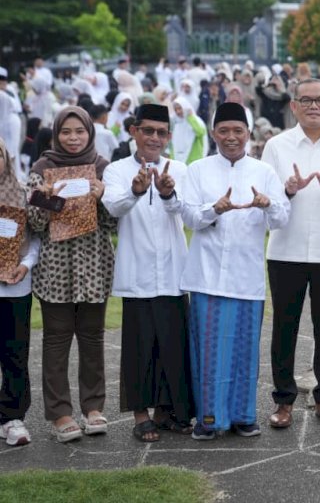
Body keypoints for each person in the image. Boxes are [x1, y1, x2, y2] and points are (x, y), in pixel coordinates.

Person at [180, 102, 289, 441]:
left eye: (237, 131)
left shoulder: (263, 171)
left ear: (248, 134)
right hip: (207, 277)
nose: (231, 137)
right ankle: (208, 419)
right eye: (224, 131)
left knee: (244, 351)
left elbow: (282, 218)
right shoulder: (197, 170)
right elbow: (189, 217)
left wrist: (268, 204)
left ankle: (244, 416)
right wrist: (214, 209)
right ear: (214, 133)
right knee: (209, 353)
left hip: (246, 277)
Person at [261, 78, 320, 430]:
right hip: (286, 249)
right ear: (294, 106)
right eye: (306, 100)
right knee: (284, 327)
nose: (314, 106)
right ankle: (283, 399)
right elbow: (266, 200)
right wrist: (287, 191)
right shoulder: (276, 146)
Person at [102, 104, 194, 443]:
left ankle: (168, 412)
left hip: (172, 270)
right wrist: (137, 191)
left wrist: (169, 194)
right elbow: (113, 207)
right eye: (148, 130)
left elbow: (188, 214)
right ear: (134, 131)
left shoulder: (180, 169)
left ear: (168, 136)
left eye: (161, 132)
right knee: (139, 348)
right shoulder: (116, 170)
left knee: (174, 346)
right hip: (137, 270)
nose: (154, 137)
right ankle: (141, 415)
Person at [27, 106, 116, 443]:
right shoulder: (42, 169)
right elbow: (34, 225)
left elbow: (114, 222)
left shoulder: (103, 168)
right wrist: (47, 201)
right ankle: (60, 413)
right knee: (56, 338)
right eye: (66, 132)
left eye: (80, 131)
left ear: (90, 133)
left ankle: (93, 408)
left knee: (92, 337)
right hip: (55, 268)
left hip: (94, 264)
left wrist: (102, 196)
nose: (73, 138)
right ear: (55, 134)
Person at [0, 138, 40, 446]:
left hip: (15, 287)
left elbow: (36, 239)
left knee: (14, 354)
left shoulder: (23, 194)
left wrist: (25, 265)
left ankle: (12, 417)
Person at [170, 97, 208, 165]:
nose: (178, 112)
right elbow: (173, 144)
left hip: (193, 159)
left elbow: (200, 133)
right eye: (175, 109)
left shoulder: (196, 120)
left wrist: (190, 118)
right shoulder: (176, 122)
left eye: (180, 108)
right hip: (178, 160)